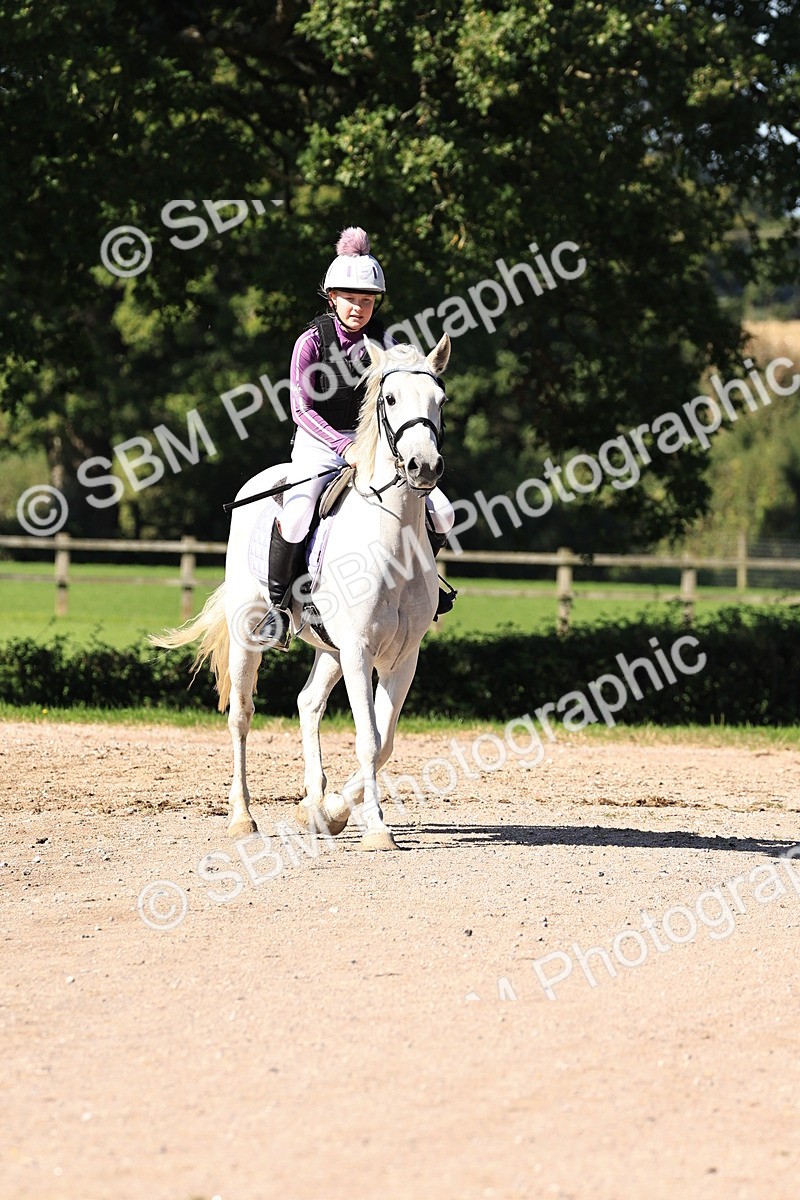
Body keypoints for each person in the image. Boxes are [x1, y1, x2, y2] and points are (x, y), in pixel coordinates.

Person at [266, 226, 456, 648]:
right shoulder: (310, 342)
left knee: (443, 513)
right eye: (350, 299)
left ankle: (421, 586)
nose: (358, 307)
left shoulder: (388, 344)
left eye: (367, 301)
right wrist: (342, 446)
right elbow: (300, 409)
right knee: (297, 514)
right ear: (333, 298)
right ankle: (278, 609)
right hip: (320, 445)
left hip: (375, 451)